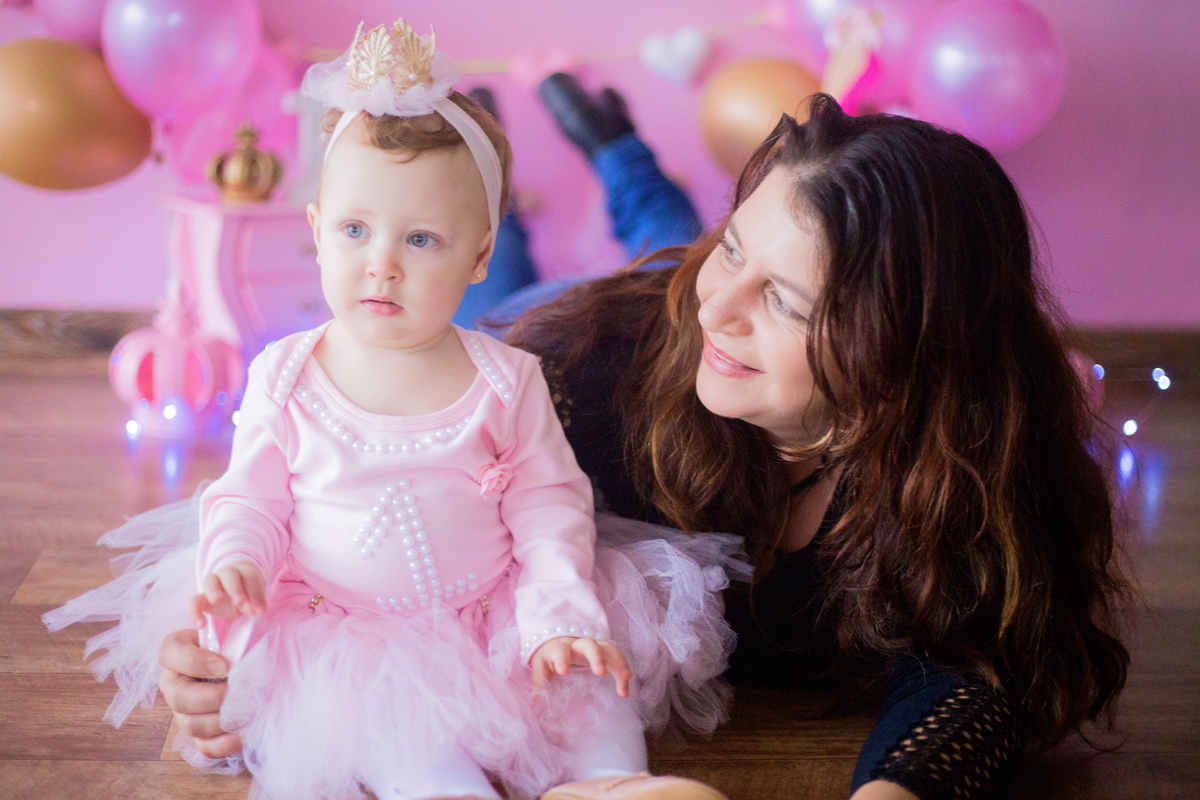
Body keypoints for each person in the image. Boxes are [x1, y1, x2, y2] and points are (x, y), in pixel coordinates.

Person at [153, 79, 1133, 800]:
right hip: (541, 317)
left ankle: (608, 150)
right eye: (737, 245)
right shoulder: (578, 376)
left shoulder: (973, 448)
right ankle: (589, 170)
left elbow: (988, 658)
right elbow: (346, 487)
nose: (727, 306)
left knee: (641, 240)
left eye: (785, 298)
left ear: (904, 348)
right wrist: (231, 644)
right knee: (511, 274)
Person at [44, 25, 743, 800]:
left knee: (586, 679)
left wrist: (557, 619)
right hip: (345, 631)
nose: (382, 262)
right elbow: (250, 497)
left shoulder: (507, 380)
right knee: (398, 738)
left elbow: (550, 507)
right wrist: (238, 562)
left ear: (479, 258)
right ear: (316, 233)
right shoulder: (287, 375)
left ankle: (610, 782)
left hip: (494, 611)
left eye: (420, 238)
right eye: (354, 230)